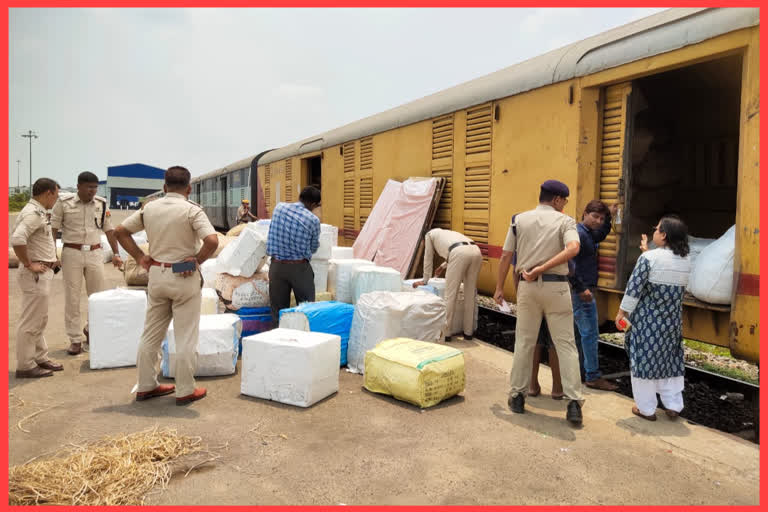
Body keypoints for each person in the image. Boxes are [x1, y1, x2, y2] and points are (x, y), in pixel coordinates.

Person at [115, 166, 218, 406]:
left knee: (151, 334)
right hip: (184, 275)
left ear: (164, 187)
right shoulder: (192, 211)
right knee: (185, 337)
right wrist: (197, 260)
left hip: (157, 274)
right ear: (189, 188)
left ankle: (146, 385)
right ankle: (185, 390)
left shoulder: (149, 208)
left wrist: (141, 257)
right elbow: (212, 240)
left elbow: (120, 232)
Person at [494, 179, 584, 425]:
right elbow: (573, 247)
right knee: (566, 345)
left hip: (528, 289)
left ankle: (517, 396)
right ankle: (573, 403)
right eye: (564, 200)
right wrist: (544, 268)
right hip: (557, 289)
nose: (565, 204)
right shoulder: (565, 221)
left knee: (524, 342)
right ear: (556, 200)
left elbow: (505, 256)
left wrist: (500, 287)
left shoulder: (519, 220)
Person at [615, 216, 691, 421]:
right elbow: (664, 268)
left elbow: (634, 289)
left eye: (656, 230)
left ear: (664, 235)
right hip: (672, 323)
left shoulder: (648, 259)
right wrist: (647, 254)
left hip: (647, 322)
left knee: (643, 361)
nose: (654, 233)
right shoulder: (685, 259)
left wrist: (622, 312)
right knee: (670, 361)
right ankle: (674, 405)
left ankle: (646, 409)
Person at [51, 171, 123, 355]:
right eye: (88, 187)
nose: (92, 191)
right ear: (78, 187)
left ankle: (92, 330)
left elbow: (109, 230)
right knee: (72, 298)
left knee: (97, 296)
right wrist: (52, 255)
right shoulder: (63, 203)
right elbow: (53, 229)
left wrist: (116, 253)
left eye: (95, 187)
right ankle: (75, 339)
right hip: (72, 253)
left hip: (94, 253)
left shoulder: (101, 203)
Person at [11, 178, 64, 378]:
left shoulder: (38, 211)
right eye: (56, 196)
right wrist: (28, 263)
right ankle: (25, 365)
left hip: (42, 273)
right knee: (31, 321)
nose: (56, 200)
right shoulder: (33, 214)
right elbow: (17, 239)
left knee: (39, 319)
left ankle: (40, 357)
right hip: (35, 275)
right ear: (48, 193)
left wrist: (53, 260)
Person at [569, 199, 620, 391]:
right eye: (595, 217)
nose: (598, 221)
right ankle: (592, 376)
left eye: (601, 218)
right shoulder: (580, 235)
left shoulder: (588, 233)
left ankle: (581, 371)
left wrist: (610, 217)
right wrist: (581, 288)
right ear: (584, 214)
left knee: (580, 334)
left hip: (581, 289)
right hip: (582, 291)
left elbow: (599, 235)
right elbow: (569, 265)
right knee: (590, 333)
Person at [412, 228, 483, 341]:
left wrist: (425, 280)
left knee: (450, 295)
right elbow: (459, 248)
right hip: (476, 251)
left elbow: (428, 257)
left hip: (459, 253)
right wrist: (442, 266)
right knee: (469, 295)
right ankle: (468, 333)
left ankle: (446, 334)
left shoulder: (429, 235)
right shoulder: (447, 233)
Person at [266, 186, 321, 323]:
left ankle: (277, 338)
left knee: (278, 311)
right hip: (299, 269)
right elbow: (313, 248)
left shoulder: (279, 208)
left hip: (276, 267)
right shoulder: (313, 220)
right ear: (313, 204)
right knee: (306, 310)